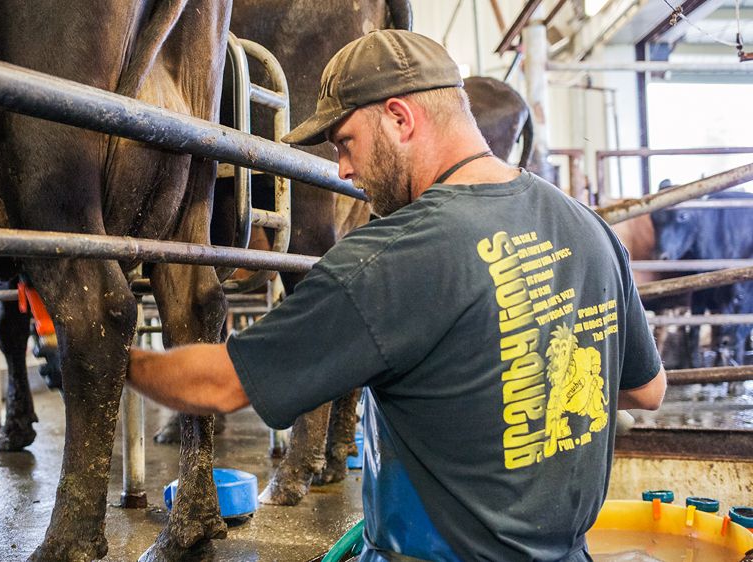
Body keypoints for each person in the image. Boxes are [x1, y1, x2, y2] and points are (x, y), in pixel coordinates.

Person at [128, 29, 666, 562]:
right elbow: (647, 390)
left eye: (346, 142)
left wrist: (119, 360)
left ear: (400, 118)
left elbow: (221, 384)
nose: (343, 170)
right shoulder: (589, 229)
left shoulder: (392, 257)